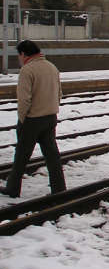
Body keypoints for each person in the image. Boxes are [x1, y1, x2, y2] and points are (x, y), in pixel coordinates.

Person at [0, 40, 66, 198]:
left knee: (21, 156)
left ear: (23, 54)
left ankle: (13, 188)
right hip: (50, 118)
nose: (19, 59)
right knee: (52, 156)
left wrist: (22, 119)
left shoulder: (27, 70)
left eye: (19, 55)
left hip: (32, 119)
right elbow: (59, 93)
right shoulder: (52, 67)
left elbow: (24, 100)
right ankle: (59, 188)